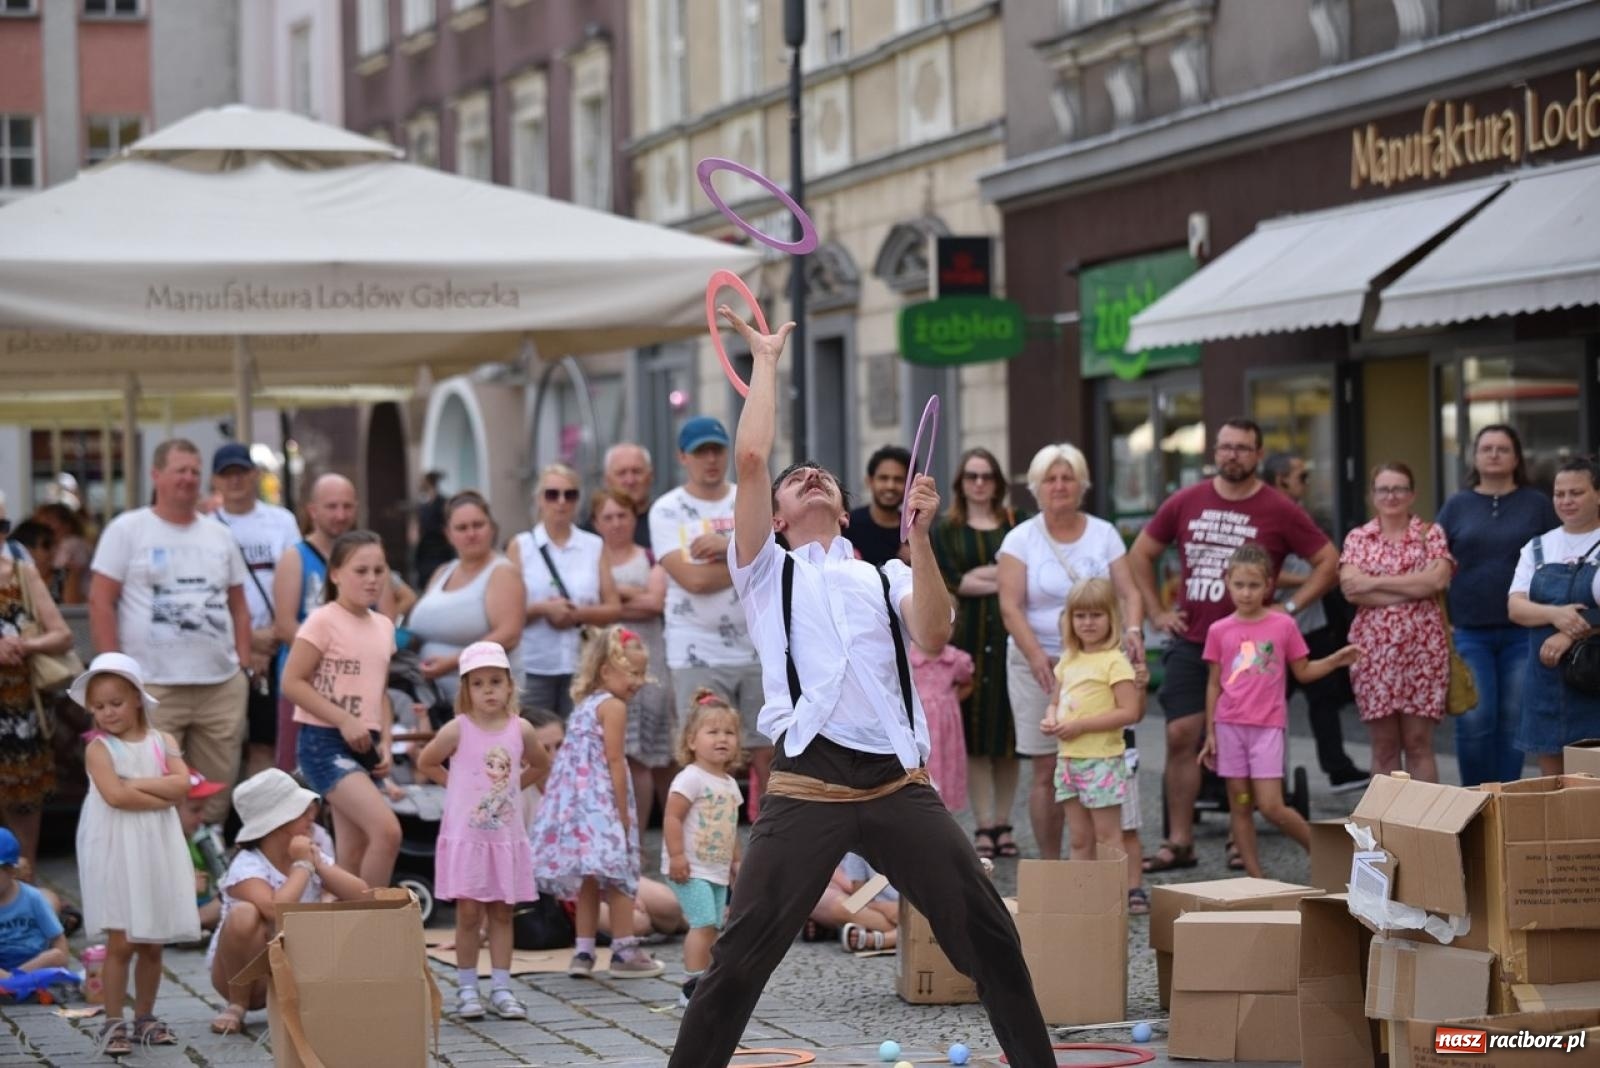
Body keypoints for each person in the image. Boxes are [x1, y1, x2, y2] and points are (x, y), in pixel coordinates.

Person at [668, 307, 1051, 1068]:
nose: (806, 477)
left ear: (843, 512)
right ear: (775, 517)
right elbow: (750, 459)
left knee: (989, 932)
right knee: (742, 956)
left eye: (822, 479)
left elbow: (936, 633)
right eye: (793, 481)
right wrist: (766, 359)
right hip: (808, 784)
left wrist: (920, 536)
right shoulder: (762, 572)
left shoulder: (885, 574)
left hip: (895, 784)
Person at [1129, 419, 1338, 872]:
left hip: (1254, 649)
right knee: (1181, 733)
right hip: (1193, 638)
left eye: (1242, 448)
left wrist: (1291, 607)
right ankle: (1179, 841)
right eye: (1224, 447)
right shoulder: (1187, 500)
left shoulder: (1279, 508)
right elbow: (1141, 553)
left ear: (1258, 455)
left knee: (1246, 734)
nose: (1231, 455)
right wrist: (1156, 611)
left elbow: (1328, 560)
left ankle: (1236, 839)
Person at [89, 439, 253, 825]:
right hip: (152, 688)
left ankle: (207, 874)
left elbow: (239, 606)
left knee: (214, 794)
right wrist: (114, 673)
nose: (188, 479)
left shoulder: (220, 534)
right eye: (180, 470)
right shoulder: (127, 529)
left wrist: (243, 666)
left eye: (195, 471)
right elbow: (100, 601)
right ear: (156, 474)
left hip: (220, 686)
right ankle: (164, 876)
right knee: (152, 789)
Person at [998, 443, 1141, 861]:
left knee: (1100, 753)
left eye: (1068, 477)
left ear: (1082, 485)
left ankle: (1101, 864)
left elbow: (1130, 592)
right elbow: (1010, 606)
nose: (1059, 486)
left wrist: (1133, 630)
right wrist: (1038, 657)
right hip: (1035, 663)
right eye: (1050, 479)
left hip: (1099, 665)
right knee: (1046, 770)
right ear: (1036, 487)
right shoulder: (1019, 538)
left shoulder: (1104, 533)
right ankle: (1051, 864)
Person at [1202, 544, 1362, 877]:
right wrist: (1209, 733)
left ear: (1269, 586)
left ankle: (1323, 852)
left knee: (1271, 805)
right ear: (1227, 582)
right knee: (1240, 803)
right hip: (1229, 727)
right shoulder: (1219, 630)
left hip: (1267, 727)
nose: (1246, 593)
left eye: (1254, 585)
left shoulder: (1282, 625)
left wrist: (1334, 661)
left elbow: (1302, 672)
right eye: (1239, 585)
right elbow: (1214, 685)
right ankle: (1255, 877)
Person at [71, 653, 201, 1056]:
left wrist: (142, 783)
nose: (107, 713)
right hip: (115, 847)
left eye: (116, 703)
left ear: (138, 699)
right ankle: (112, 1021)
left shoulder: (164, 742)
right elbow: (116, 796)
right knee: (122, 939)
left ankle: (145, 1016)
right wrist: (161, 793)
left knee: (152, 940)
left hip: (155, 847)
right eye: (99, 706)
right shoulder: (99, 749)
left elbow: (183, 785)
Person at [416, 642, 547, 1021]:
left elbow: (539, 765)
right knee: (469, 914)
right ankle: (468, 987)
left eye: (495, 682)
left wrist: (508, 789)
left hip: (503, 839)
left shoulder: (520, 729)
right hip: (469, 841)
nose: (488, 690)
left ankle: (502, 987)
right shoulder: (458, 729)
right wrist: (456, 787)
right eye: (478, 683)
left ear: (509, 686)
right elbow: (427, 762)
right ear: (466, 690)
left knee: (502, 913)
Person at [650, 416, 770, 818]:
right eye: (701, 451)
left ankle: (773, 845)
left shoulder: (749, 497)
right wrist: (743, 559)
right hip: (694, 649)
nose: (712, 459)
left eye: (718, 449)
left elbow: (772, 560)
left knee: (767, 749)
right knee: (702, 752)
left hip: (756, 644)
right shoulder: (667, 510)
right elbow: (692, 580)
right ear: (683, 457)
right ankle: (707, 846)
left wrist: (727, 546)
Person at [530, 626, 665, 979]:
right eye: (632, 673)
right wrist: (623, 814)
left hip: (577, 808)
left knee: (590, 881)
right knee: (619, 878)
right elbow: (616, 761)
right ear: (606, 671)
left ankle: (584, 952)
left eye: (641, 673)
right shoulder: (614, 707)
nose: (638, 682)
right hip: (602, 805)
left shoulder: (585, 705)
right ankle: (623, 950)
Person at [280, 530, 402, 888]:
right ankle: (372, 925)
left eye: (379, 571)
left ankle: (342, 934)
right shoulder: (322, 620)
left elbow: (380, 691)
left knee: (355, 848)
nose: (372, 579)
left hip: (366, 743)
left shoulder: (383, 626)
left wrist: (386, 742)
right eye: (360, 570)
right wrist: (344, 718)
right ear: (335, 574)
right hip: (324, 743)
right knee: (387, 832)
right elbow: (292, 682)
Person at [206, 769, 369, 1036]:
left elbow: (361, 894)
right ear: (278, 823)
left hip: (294, 972)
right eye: (301, 811)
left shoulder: (309, 851)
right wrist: (303, 866)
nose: (311, 816)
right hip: (245, 977)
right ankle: (237, 1004)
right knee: (244, 914)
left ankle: (307, 999)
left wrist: (318, 865)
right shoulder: (248, 865)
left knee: (333, 904)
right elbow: (276, 910)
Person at [1436, 425, 1553, 786]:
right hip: (1469, 630)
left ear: (1516, 458)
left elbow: (1555, 560)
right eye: (1486, 448)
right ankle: (1474, 802)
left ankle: (1507, 804)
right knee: (1475, 719)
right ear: (1474, 457)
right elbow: (1437, 561)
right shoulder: (1457, 505)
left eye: (1503, 448)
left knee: (1512, 720)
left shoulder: (1537, 505)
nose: (1494, 454)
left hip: (1523, 630)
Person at [272, 474, 396, 770]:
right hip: (312, 686)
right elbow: (285, 624)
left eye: (346, 506)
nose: (340, 515)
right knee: (299, 777)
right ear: (312, 510)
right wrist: (332, 650)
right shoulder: (296, 556)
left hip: (360, 688)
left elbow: (387, 615)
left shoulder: (371, 556)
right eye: (331, 506)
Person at [1260, 452, 1368, 793]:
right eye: (1301, 476)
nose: (1306, 483)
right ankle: (1268, 779)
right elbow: (1264, 570)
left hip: (1311, 624)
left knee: (1325, 697)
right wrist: (1311, 580)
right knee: (1266, 706)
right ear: (1281, 479)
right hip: (1277, 624)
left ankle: (1337, 767)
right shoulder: (1266, 513)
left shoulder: (1299, 514)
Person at [1340, 463, 1454, 782]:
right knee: (1384, 747)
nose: (1392, 496)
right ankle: (1386, 829)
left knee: (1419, 744)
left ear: (1412, 494)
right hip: (1373, 654)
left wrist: (1374, 583)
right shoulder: (1358, 538)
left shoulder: (1430, 533)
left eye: (1399, 488)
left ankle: (1425, 828)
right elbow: (1351, 589)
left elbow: (1437, 582)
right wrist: (1413, 585)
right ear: (1372, 495)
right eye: (1384, 489)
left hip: (1424, 651)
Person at [932, 447, 1020, 857]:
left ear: (998, 482)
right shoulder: (947, 530)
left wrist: (984, 577)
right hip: (965, 641)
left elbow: (1022, 577)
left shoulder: (1014, 524)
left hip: (1010, 639)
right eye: (972, 476)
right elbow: (955, 582)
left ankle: (1005, 821)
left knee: (1008, 734)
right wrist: (997, 577)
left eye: (987, 476)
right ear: (961, 483)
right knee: (975, 734)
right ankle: (984, 823)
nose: (980, 484)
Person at [1041, 578, 1148, 910]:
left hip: (1102, 760)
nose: (1087, 623)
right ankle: (1081, 901)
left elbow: (1129, 711)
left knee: (1108, 837)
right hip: (1069, 760)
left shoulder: (1115, 661)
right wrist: (1050, 718)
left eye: (1095, 616)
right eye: (1080, 616)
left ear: (1111, 618)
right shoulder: (1068, 660)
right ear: (1070, 620)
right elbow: (1055, 701)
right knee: (1079, 837)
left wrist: (1081, 725)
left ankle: (1111, 900)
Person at [210, 443, 302, 783]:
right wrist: (248, 642)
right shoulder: (208, 525)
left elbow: (295, 582)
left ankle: (263, 827)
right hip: (225, 649)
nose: (235, 481)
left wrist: (270, 639)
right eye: (226, 475)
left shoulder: (281, 521)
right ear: (215, 481)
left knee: (267, 741)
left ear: (254, 475)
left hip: (276, 648)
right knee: (223, 743)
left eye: (241, 473)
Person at [592, 490, 675, 858]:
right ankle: (626, 839)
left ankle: (644, 840)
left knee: (650, 755)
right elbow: (594, 605)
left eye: (622, 516)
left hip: (651, 662)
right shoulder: (590, 559)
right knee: (619, 753)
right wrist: (627, 597)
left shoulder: (651, 557)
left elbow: (654, 603)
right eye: (607, 517)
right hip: (607, 665)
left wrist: (611, 597)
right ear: (596, 523)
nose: (616, 523)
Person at [1509, 456, 1600, 777]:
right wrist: (1555, 614)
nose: (1566, 501)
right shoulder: (1538, 546)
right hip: (1545, 679)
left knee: (1592, 786)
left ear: (1598, 494)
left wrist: (1570, 632)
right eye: (1560, 494)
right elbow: (1516, 607)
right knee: (1552, 785)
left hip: (1594, 681)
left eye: (1576, 493)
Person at [508, 464, 621, 718]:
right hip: (534, 662)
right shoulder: (521, 546)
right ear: (539, 499)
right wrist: (542, 609)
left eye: (569, 495)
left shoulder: (593, 545)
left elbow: (613, 607)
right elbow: (505, 612)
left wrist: (577, 613)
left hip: (582, 664)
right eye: (552, 494)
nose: (561, 502)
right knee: (534, 744)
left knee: (581, 743)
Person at [662, 689, 743, 1007]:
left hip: (717, 869)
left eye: (729, 732)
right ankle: (691, 984)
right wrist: (677, 856)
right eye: (713, 732)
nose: (722, 738)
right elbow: (672, 816)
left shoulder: (730, 784)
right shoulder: (690, 778)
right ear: (692, 741)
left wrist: (737, 865)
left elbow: (730, 827)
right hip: (690, 867)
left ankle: (706, 978)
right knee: (704, 922)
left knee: (714, 925)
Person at [407, 491, 524, 705]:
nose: (471, 533)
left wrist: (453, 662)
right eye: (461, 528)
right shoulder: (442, 572)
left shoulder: (502, 572)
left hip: (485, 703)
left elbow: (508, 634)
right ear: (448, 534)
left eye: (478, 525)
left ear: (492, 528)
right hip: (433, 699)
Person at [0, 538, 73, 871]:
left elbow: (62, 634)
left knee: (24, 820)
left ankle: (26, 905)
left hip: (20, 717)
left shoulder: (22, 573)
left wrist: (26, 645)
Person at [910, 639, 972, 811]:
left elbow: (967, 683)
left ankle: (944, 809)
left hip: (946, 730)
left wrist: (947, 702)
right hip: (919, 724)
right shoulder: (909, 656)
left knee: (947, 765)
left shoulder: (955, 659)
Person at [0, 827, 69, 978]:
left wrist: (63, 965)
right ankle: (11, 981)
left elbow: (57, 938)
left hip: (32, 960)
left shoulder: (33, 897)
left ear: (11, 870)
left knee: (55, 955)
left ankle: (13, 980)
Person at [812, 853, 900, 951]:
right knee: (839, 906)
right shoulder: (859, 848)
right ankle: (895, 935)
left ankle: (884, 939)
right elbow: (859, 898)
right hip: (879, 910)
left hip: (913, 908)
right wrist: (883, 907)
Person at [178, 771, 227, 934]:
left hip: (199, 905)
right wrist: (186, 888)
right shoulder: (159, 845)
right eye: (195, 810)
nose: (202, 817)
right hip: (171, 910)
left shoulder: (198, 838)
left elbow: (221, 878)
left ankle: (194, 929)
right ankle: (183, 931)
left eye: (204, 809)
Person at [846, 445, 911, 567]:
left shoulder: (915, 530)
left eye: (898, 479)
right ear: (869, 481)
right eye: (883, 478)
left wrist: (918, 559)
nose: (890, 486)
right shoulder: (848, 524)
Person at [583, 443, 656, 549]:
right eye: (621, 473)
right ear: (607, 480)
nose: (630, 480)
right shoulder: (588, 534)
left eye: (637, 472)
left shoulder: (666, 521)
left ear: (650, 476)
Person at [33, 503, 90, 605]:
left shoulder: (72, 543)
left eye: (49, 519)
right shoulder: (67, 544)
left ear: (67, 524)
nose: (43, 524)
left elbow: (57, 567)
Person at [412, 471, 456, 590]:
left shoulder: (443, 503)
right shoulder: (423, 505)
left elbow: (448, 523)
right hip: (426, 549)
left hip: (440, 548)